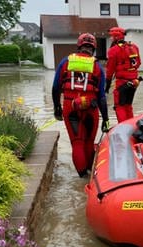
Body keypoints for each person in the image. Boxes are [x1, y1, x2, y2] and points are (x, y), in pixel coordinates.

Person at [52, 33, 110, 177]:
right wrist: (106, 118)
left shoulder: (65, 62)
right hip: (91, 107)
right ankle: (91, 177)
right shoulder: (97, 66)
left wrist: (56, 107)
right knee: (89, 142)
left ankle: (81, 177)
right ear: (93, 49)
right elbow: (102, 97)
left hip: (70, 107)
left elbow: (55, 88)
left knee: (77, 142)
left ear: (79, 46)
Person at [105, 27, 142, 123]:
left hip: (122, 82)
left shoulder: (114, 50)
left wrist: (107, 84)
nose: (111, 39)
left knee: (120, 106)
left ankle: (123, 127)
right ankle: (131, 125)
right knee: (128, 105)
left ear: (116, 37)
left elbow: (110, 70)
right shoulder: (134, 47)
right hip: (135, 81)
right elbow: (138, 63)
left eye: (112, 37)